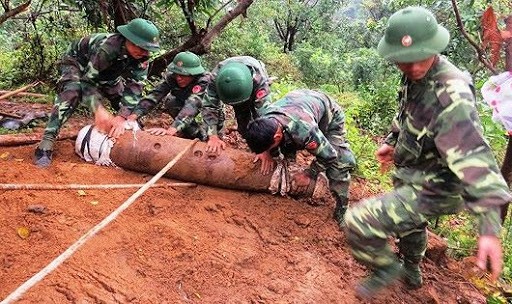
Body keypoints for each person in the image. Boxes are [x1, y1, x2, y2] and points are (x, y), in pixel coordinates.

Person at [344, 6, 512, 299]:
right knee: (411, 223)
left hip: (438, 185)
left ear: (433, 47)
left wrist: (488, 227)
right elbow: (409, 113)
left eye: (419, 57)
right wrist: (392, 141)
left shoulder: (451, 92)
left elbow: (474, 156)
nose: (412, 67)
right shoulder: (416, 73)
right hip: (416, 169)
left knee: (359, 222)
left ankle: (387, 268)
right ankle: (411, 268)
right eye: (404, 61)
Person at [34, 18, 160, 167]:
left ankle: (138, 138)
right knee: (72, 92)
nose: (144, 52)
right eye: (141, 47)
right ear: (128, 39)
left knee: (125, 108)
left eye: (147, 49)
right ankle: (46, 142)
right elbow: (88, 82)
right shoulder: (107, 48)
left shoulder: (143, 56)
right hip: (77, 65)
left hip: (108, 74)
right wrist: (98, 109)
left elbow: (135, 87)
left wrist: (122, 116)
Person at [244, 89, 356, 227]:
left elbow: (330, 156)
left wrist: (310, 174)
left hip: (329, 115)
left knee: (339, 166)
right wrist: (264, 152)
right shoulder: (264, 118)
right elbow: (263, 136)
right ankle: (290, 179)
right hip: (297, 102)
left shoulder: (305, 131)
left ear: (277, 137)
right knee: (284, 150)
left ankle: (342, 210)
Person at [126, 51, 218, 140]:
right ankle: (195, 133)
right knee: (171, 102)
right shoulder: (172, 77)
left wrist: (171, 129)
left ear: (193, 74)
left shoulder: (204, 81)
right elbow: (155, 95)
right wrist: (134, 116)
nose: (178, 78)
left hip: (209, 107)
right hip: (184, 101)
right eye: (177, 74)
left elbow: (192, 105)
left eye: (183, 75)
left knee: (214, 132)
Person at [201, 56, 272, 154]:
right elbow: (209, 107)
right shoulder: (215, 79)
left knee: (259, 123)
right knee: (244, 124)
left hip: (250, 83)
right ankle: (251, 144)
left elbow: (266, 115)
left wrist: (265, 149)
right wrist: (212, 136)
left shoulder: (259, 80)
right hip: (236, 89)